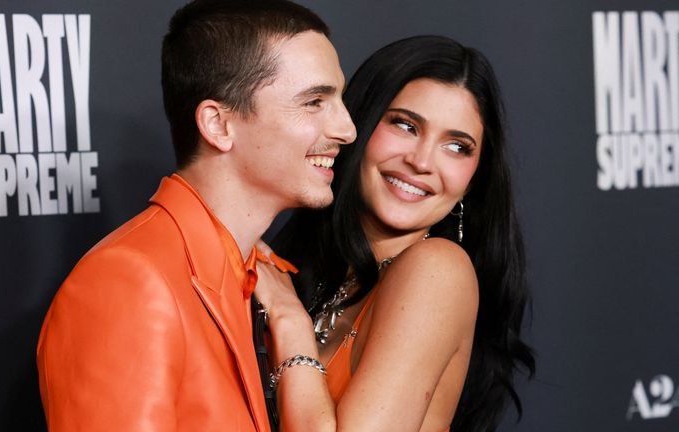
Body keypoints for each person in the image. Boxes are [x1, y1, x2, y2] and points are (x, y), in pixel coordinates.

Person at [36, 1, 355, 430]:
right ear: (219, 125)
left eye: (338, 99)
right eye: (315, 101)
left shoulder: (256, 274)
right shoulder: (129, 280)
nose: (347, 129)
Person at [253, 35, 535, 432]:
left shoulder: (438, 270)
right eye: (405, 125)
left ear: (472, 181)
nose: (421, 162)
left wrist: (289, 321)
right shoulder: (313, 276)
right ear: (358, 125)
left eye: (457, 147)